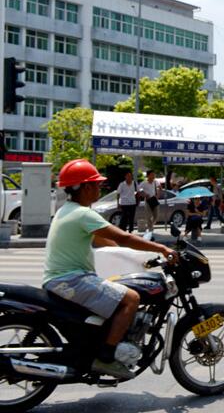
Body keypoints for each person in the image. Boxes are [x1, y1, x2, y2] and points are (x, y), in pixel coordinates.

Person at [43, 159, 178, 379]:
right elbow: (123, 237)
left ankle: (104, 344)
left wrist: (128, 258)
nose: (100, 187)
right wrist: (162, 248)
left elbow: (106, 241)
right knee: (131, 299)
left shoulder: (67, 210)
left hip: (62, 279)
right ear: (85, 187)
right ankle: (106, 358)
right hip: (70, 280)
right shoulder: (83, 214)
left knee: (119, 291)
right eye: (96, 184)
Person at [137, 170, 162, 241]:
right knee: (148, 216)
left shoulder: (155, 182)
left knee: (156, 215)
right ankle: (150, 230)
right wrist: (144, 194)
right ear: (148, 175)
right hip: (148, 201)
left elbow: (160, 188)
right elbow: (139, 190)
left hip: (154, 200)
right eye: (152, 174)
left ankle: (150, 226)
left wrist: (158, 195)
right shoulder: (144, 183)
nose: (153, 176)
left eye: (154, 174)